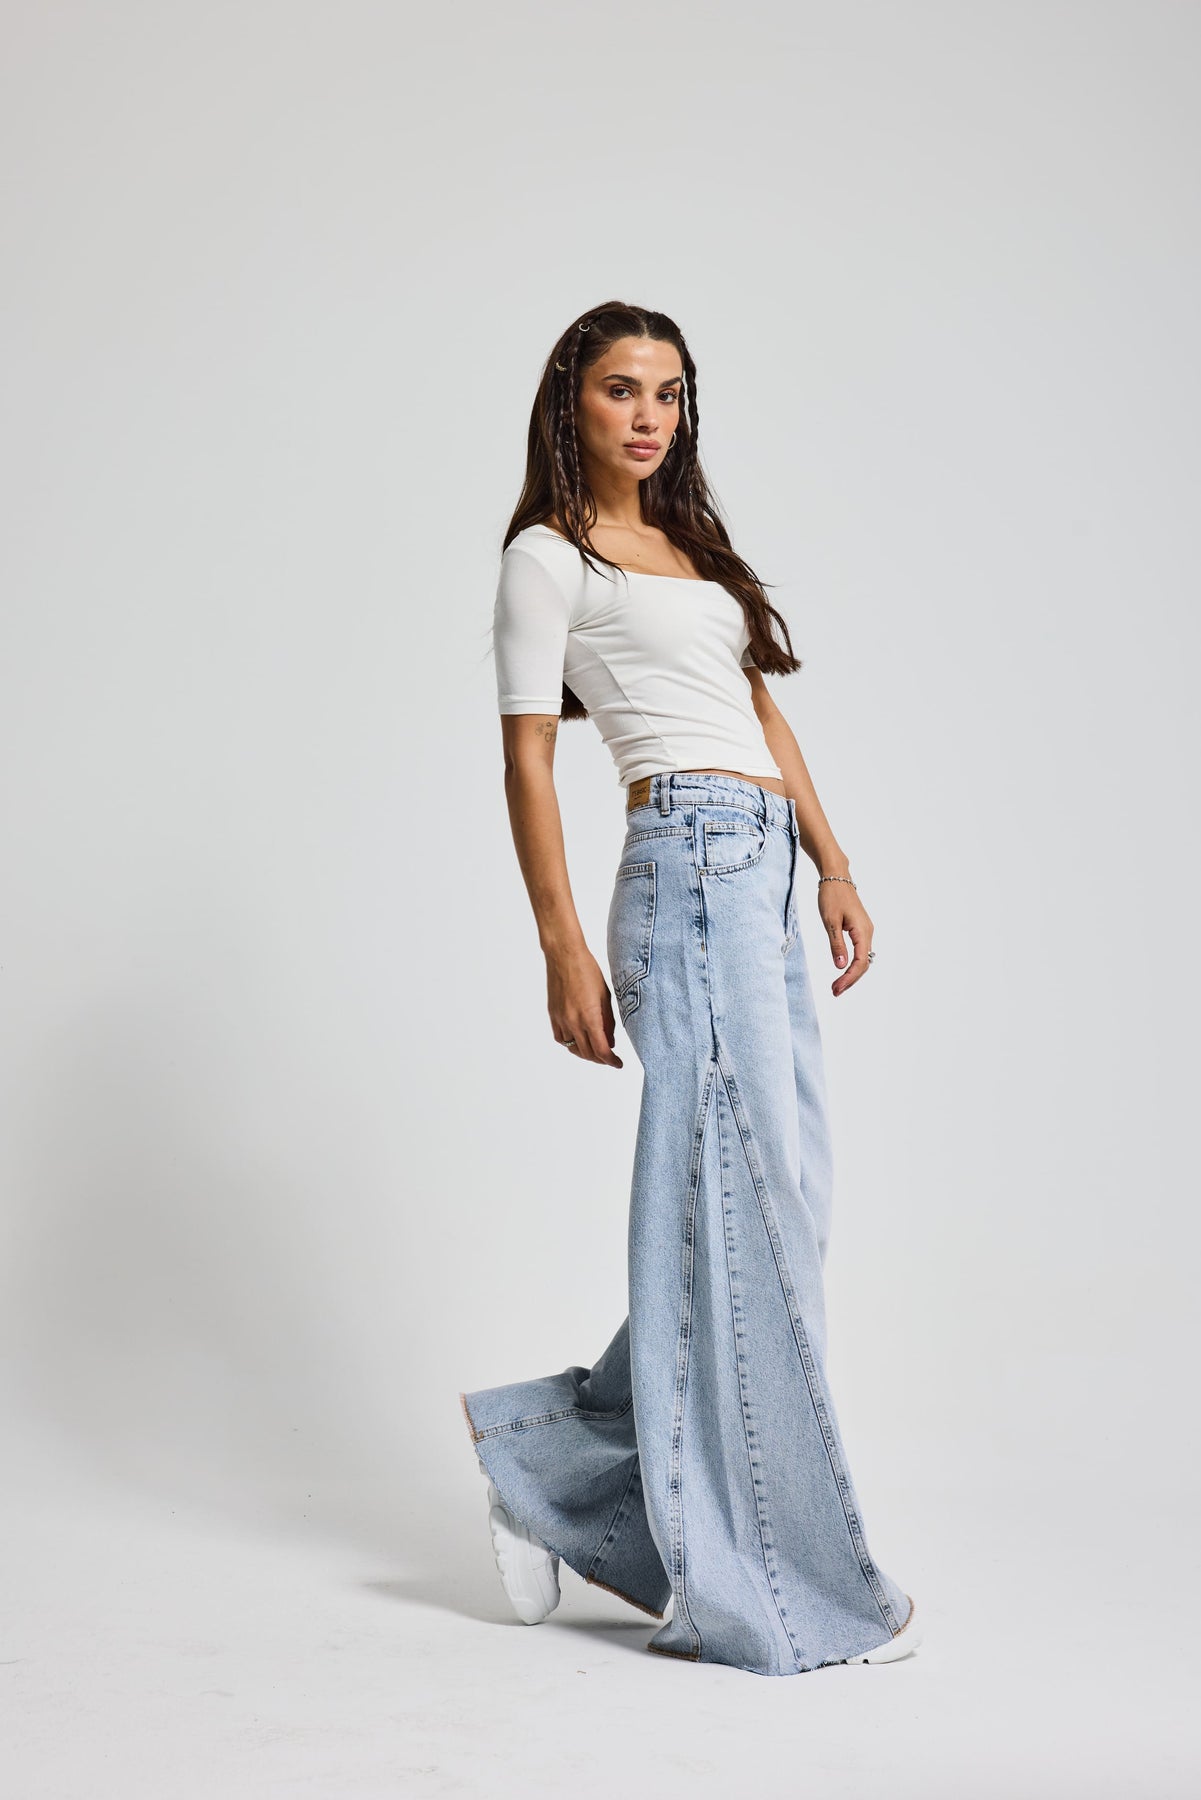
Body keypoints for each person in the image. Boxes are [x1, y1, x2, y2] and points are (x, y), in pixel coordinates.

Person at [458, 300, 923, 1677]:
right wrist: (560, 945)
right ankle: (776, 1584)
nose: (648, 415)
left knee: (783, 1211)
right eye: (621, 389)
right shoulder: (550, 558)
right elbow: (528, 759)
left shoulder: (692, 548)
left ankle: (552, 1473)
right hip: (685, 866)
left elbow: (762, 713)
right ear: (571, 402)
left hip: (762, 871)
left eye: (667, 391)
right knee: (741, 1213)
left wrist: (834, 864)